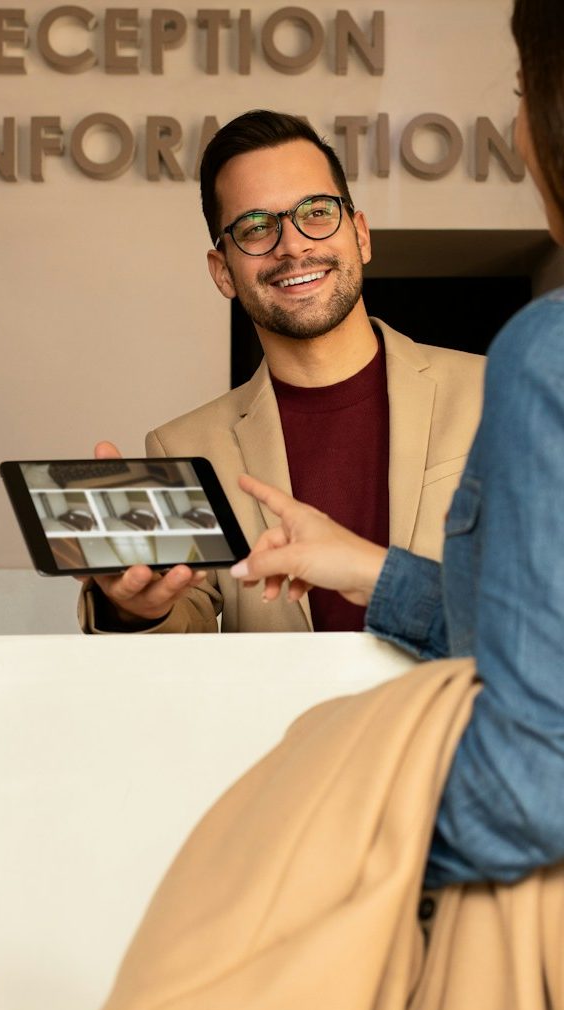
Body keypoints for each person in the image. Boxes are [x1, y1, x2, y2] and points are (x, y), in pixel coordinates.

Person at [228, 0, 564, 1010]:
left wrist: (324, 850)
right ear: (221, 263)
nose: (523, 133)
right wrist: (371, 569)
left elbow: (547, 772)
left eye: (528, 97)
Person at [79, 110, 484, 635]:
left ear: (360, 235)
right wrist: (136, 608)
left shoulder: (495, 393)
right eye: (255, 227)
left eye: (316, 212)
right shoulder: (186, 446)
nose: (292, 245)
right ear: (223, 271)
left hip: (453, 715)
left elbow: (559, 602)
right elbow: (185, 627)